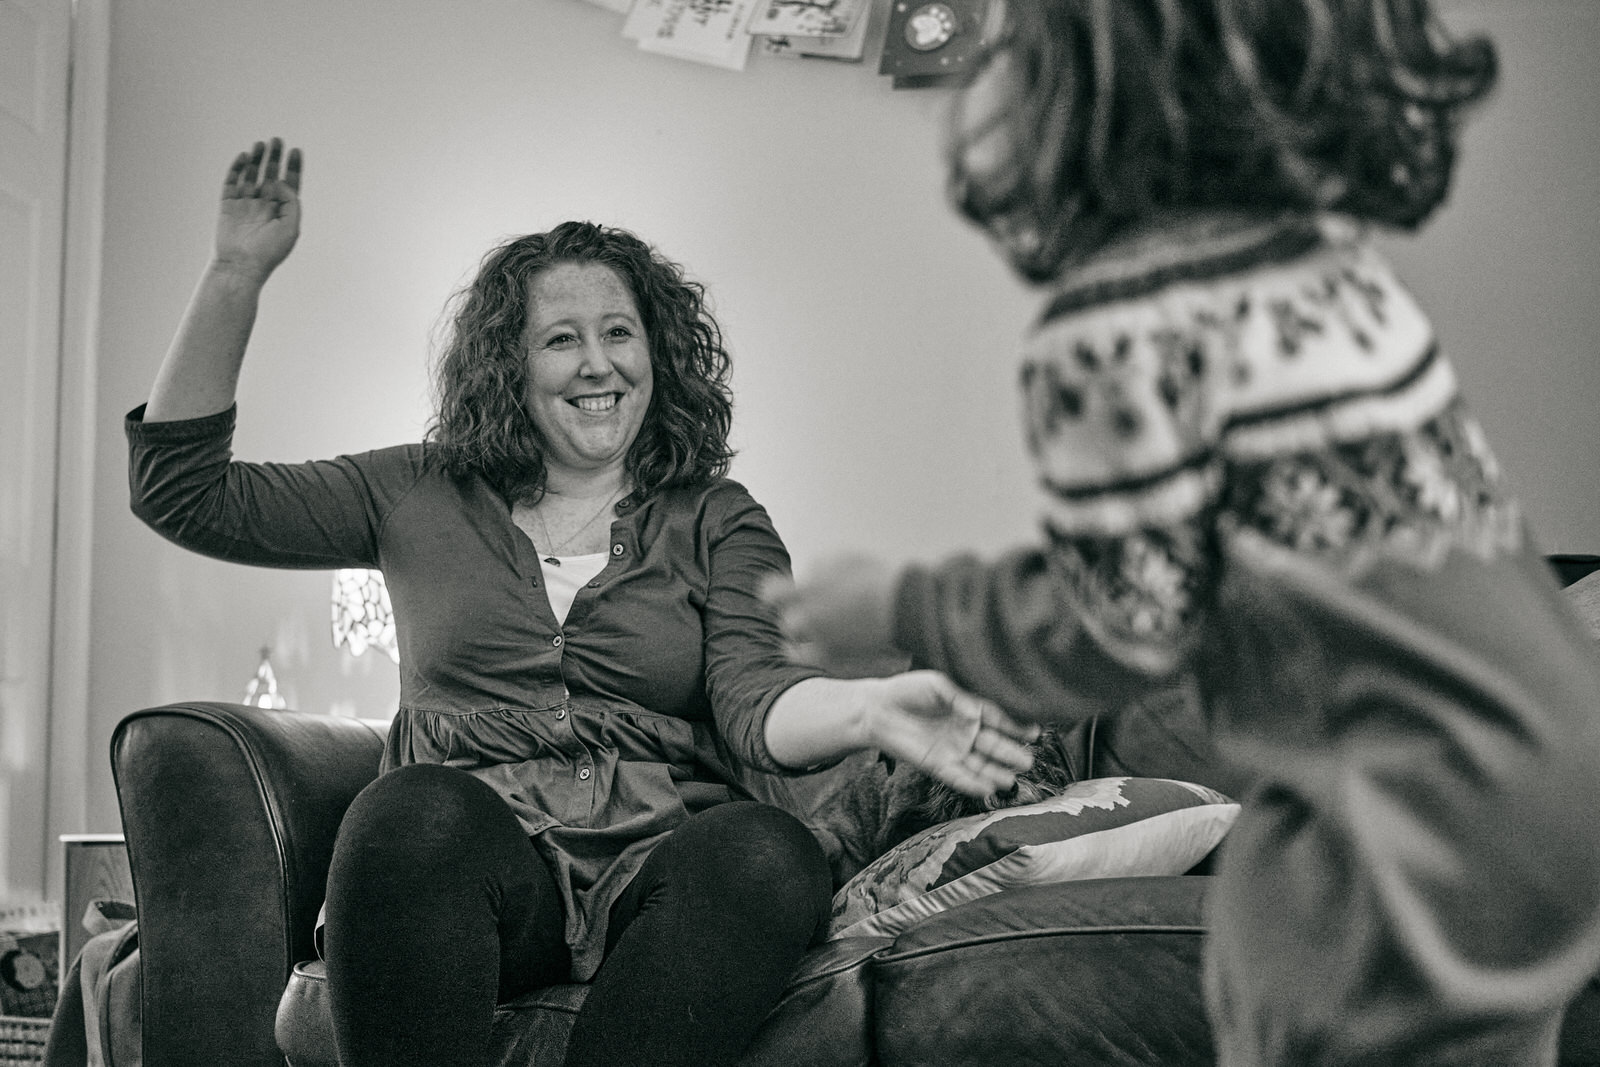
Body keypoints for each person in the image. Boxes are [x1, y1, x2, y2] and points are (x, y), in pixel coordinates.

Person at [766, 2, 1600, 1064]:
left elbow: (1116, 629)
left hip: (1397, 805)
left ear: (1066, 100)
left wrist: (893, 604)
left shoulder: (1117, 323)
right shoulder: (1335, 275)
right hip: (1559, 773)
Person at [126, 138, 1038, 1067]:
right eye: (561, 338)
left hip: (660, 874)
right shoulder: (417, 490)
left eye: (620, 332)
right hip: (478, 871)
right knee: (409, 813)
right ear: (509, 366)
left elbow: (757, 699)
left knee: (767, 850)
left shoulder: (716, 516)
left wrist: (873, 704)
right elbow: (184, 494)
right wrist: (236, 271)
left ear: (658, 351)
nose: (597, 363)